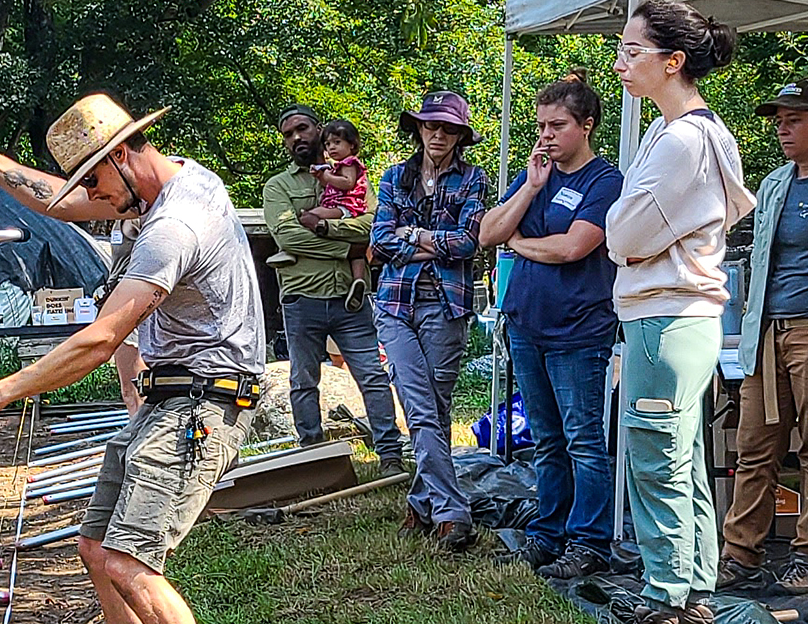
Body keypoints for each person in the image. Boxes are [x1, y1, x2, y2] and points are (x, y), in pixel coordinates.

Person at [0, 94, 266, 624]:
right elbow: (61, 202)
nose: (97, 200)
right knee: (96, 548)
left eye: (99, 183)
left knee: (132, 559)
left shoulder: (176, 223)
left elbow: (103, 335)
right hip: (169, 397)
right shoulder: (159, 186)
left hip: (203, 402)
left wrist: (5, 391)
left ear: (124, 157)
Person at [597, 0, 755, 624]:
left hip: (666, 318)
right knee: (681, 460)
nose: (620, 62)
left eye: (633, 50)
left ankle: (661, 614)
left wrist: (625, 243)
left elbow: (623, 234)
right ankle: (694, 608)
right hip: (681, 317)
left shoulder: (684, 138)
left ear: (674, 61)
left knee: (658, 462)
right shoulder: (694, 132)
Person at [477, 74, 623, 577]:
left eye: (557, 125)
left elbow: (573, 247)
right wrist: (531, 188)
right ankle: (548, 531)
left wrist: (518, 244)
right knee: (546, 437)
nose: (546, 135)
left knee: (583, 438)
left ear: (586, 125)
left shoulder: (605, 182)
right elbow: (486, 233)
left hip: (578, 331)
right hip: (526, 325)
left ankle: (590, 543)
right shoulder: (536, 175)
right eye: (540, 125)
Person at [719, 78, 808, 597]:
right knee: (755, 445)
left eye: (794, 119)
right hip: (765, 330)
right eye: (778, 119)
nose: (782, 128)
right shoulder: (775, 182)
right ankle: (741, 553)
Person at [371, 91, 489, 551]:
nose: (437, 134)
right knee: (421, 408)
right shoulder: (395, 177)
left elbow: (469, 243)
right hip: (395, 304)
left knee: (434, 408)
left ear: (460, 135)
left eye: (447, 128)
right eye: (429, 126)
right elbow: (381, 239)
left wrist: (415, 235)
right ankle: (452, 512)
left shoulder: (474, 179)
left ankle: (421, 503)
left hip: (447, 304)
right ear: (418, 130)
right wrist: (435, 241)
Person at [258, 105, 406, 465]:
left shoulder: (354, 174)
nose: (296, 138)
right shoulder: (278, 187)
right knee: (303, 379)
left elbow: (374, 226)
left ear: (319, 130)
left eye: (302, 128)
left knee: (371, 375)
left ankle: (390, 454)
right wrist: (349, 247)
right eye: (288, 134)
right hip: (301, 297)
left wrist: (325, 229)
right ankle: (314, 457)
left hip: (349, 298)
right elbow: (289, 237)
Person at [314, 121, 371, 218]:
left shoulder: (349, 163)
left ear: (352, 144)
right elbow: (332, 185)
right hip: (337, 204)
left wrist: (328, 176)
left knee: (314, 214)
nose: (331, 147)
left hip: (347, 205)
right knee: (313, 214)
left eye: (337, 142)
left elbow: (348, 183)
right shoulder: (339, 165)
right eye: (327, 144)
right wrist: (320, 176)